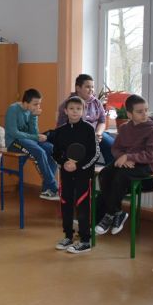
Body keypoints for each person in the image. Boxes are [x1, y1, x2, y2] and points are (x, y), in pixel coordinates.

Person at [95, 94, 153, 236]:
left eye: (146, 110)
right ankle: (117, 212)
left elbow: (151, 155)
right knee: (105, 173)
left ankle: (110, 214)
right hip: (126, 162)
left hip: (146, 166)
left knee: (120, 176)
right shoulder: (124, 128)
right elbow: (116, 148)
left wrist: (128, 156)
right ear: (129, 114)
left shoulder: (152, 130)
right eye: (140, 111)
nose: (144, 114)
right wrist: (123, 157)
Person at [47, 96, 100, 254]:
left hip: (84, 173)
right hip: (66, 174)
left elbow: (94, 154)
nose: (75, 111)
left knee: (82, 204)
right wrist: (64, 163)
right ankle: (68, 236)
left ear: (83, 111)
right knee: (66, 203)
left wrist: (78, 165)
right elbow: (55, 153)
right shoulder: (60, 131)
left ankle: (85, 240)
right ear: (66, 111)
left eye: (78, 109)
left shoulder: (89, 129)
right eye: (71, 108)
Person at [4, 88, 59, 201]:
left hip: (28, 141)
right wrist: (35, 137)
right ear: (25, 102)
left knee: (52, 149)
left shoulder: (30, 111)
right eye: (35, 104)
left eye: (39, 104)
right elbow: (14, 133)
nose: (38, 107)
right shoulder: (13, 109)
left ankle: (46, 190)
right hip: (14, 143)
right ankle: (53, 187)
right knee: (39, 152)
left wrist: (34, 116)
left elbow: (33, 133)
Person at [56, 74, 114, 165]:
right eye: (87, 87)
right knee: (87, 154)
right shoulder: (68, 104)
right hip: (76, 137)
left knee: (112, 145)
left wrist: (98, 133)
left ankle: (110, 172)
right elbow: (61, 128)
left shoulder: (96, 102)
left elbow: (102, 121)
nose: (91, 90)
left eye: (92, 87)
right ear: (78, 88)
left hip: (95, 134)